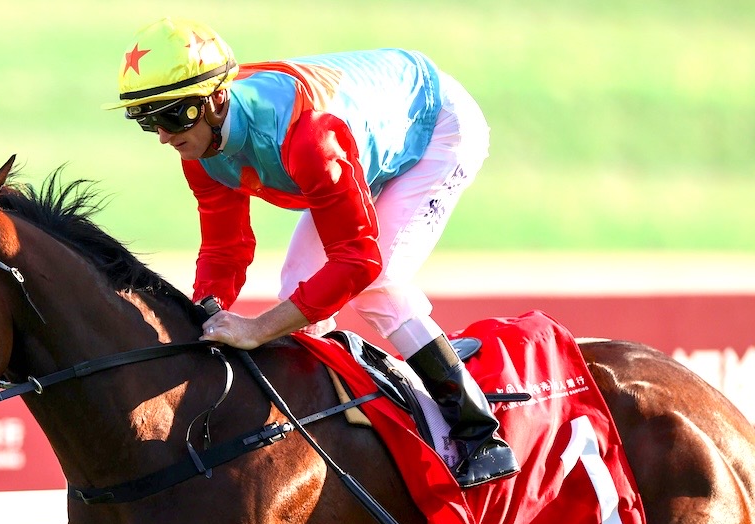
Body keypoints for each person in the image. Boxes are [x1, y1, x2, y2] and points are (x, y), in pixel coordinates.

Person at [104, 17, 518, 488]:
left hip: (435, 126)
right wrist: (206, 310)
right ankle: (326, 428)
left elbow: (359, 260)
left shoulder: (308, 140)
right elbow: (225, 247)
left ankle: (479, 432)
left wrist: (259, 327)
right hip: (364, 133)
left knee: (379, 285)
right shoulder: (199, 148)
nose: (162, 135)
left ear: (216, 98)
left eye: (172, 115)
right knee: (296, 284)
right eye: (147, 119)